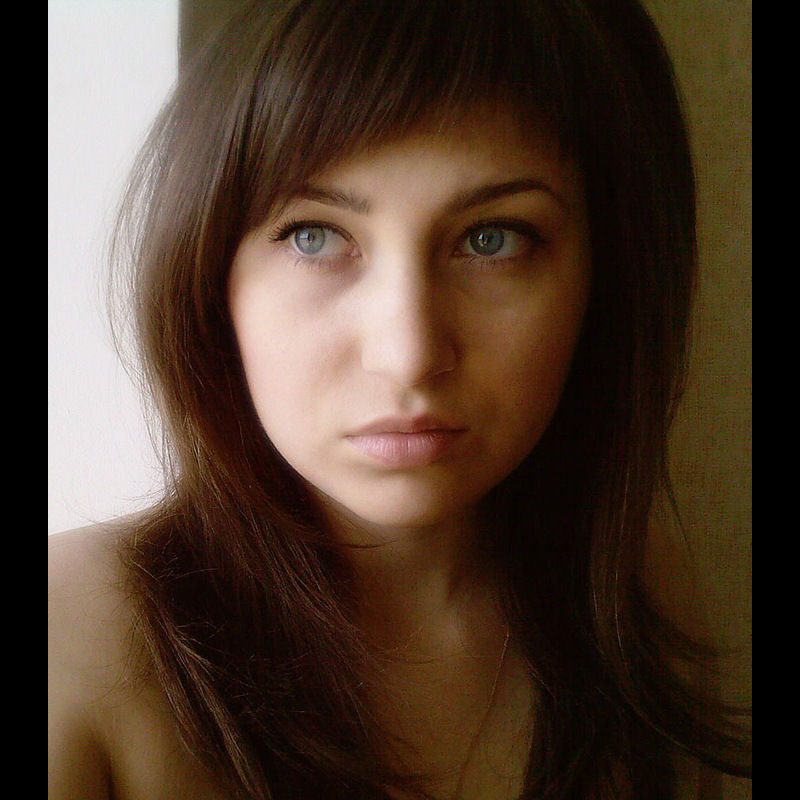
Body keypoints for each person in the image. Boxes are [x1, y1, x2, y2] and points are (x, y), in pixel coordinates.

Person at [48, 0, 751, 798]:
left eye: (492, 238)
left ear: (606, 279)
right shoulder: (75, 641)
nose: (408, 354)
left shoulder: (637, 602)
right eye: (314, 236)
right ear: (210, 278)